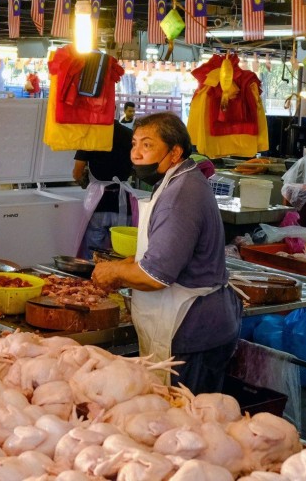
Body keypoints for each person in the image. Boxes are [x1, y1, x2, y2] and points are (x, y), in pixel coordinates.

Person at [91, 112, 242, 395]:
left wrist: (114, 272)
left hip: (192, 330)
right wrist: (126, 264)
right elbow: (164, 252)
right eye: (134, 144)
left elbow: (155, 276)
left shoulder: (180, 196)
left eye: (147, 145)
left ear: (175, 152)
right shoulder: (179, 181)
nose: (136, 154)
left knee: (187, 422)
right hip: (193, 325)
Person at [73, 122, 134, 256]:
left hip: (98, 202)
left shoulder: (91, 135)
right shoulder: (130, 134)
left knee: (94, 255)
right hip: (123, 202)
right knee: (120, 254)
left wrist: (82, 179)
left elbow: (77, 171)